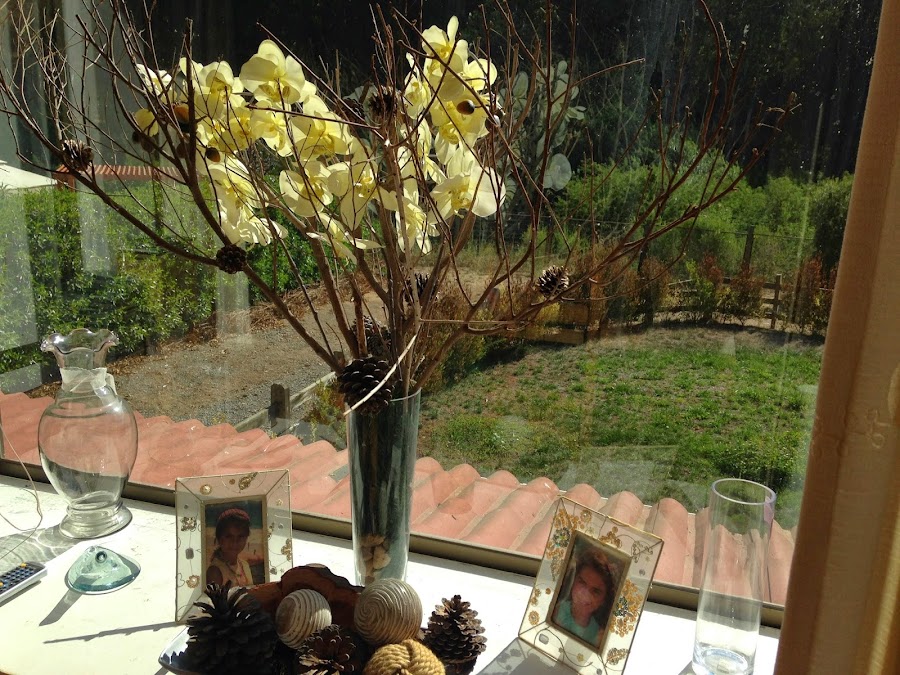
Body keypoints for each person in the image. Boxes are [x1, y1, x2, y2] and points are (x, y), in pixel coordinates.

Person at [552, 545, 617, 647]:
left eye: (595, 591)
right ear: (574, 580)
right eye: (582, 582)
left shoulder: (598, 634)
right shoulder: (556, 611)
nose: (586, 594)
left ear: (603, 600)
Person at [206, 508, 255, 587]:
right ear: (219, 539)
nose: (235, 542)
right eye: (229, 536)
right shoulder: (215, 572)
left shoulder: (244, 565)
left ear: (246, 538)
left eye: (240, 536)